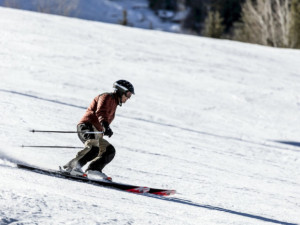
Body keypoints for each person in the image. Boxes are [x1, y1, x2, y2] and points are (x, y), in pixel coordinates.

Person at [63, 80, 134, 180]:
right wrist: (105, 125)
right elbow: (101, 111)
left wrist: (105, 128)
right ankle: (71, 167)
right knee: (93, 149)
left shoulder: (114, 103)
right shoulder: (107, 97)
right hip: (87, 126)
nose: (128, 98)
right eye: (128, 94)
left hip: (97, 132)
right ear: (121, 91)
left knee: (109, 151)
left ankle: (94, 169)